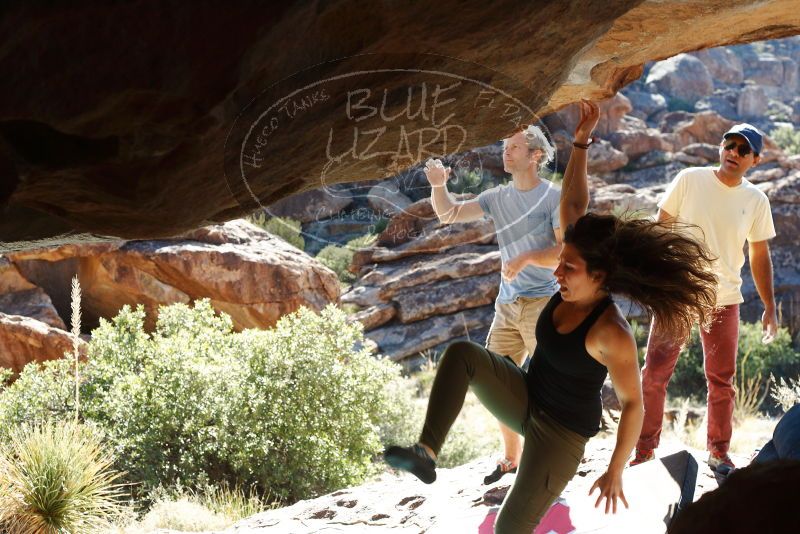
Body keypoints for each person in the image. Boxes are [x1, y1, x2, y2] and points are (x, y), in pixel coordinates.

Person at [385, 100, 718, 533]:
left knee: (510, 529)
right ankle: (426, 454)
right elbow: (575, 202)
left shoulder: (611, 332)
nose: (557, 270)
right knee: (462, 355)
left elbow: (634, 403)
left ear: (599, 276)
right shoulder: (568, 275)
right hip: (525, 398)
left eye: (569, 267)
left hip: (558, 439)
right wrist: (580, 142)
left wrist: (616, 468)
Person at [632, 123, 778, 474]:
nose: (734, 153)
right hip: (679, 293)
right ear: (721, 147)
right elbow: (661, 227)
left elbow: (759, 255)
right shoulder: (689, 179)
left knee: (721, 380)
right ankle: (644, 451)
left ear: (755, 160)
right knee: (654, 375)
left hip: (723, 298)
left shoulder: (757, 200)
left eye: (744, 150)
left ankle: (718, 453)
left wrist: (770, 306)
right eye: (730, 145)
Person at [423, 121, 563, 484]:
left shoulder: (552, 198)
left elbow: (564, 253)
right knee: (496, 383)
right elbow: (448, 214)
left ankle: (550, 460)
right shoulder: (497, 197)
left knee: (549, 386)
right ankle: (512, 458)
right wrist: (439, 186)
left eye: (514, 147)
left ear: (535, 156)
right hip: (507, 305)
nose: (505, 151)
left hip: (543, 303)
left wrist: (528, 257)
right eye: (505, 146)